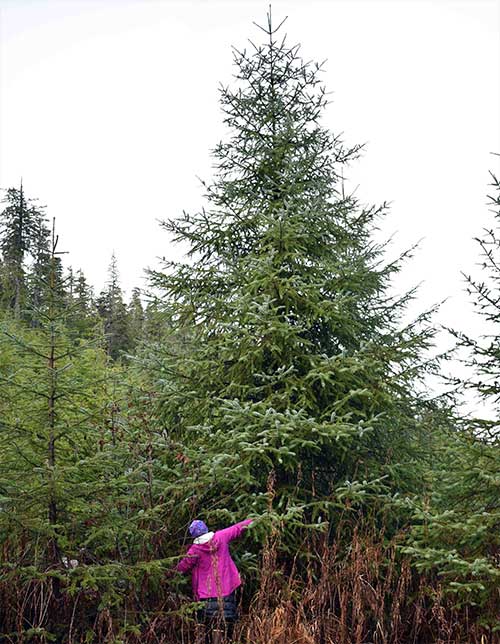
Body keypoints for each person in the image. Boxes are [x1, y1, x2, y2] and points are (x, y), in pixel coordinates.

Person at [176, 518, 253, 644]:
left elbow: (182, 567)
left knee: (205, 628)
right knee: (223, 629)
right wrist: (254, 519)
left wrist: (167, 572)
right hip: (227, 591)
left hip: (205, 596)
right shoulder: (221, 536)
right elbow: (238, 528)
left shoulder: (194, 550)